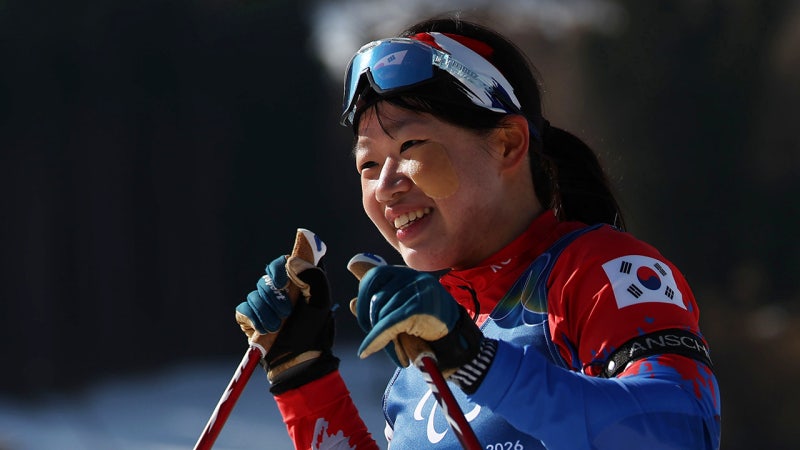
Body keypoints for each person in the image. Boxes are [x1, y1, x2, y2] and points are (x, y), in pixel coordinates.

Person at [234, 16, 721, 450]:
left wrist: (478, 362)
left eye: (411, 145)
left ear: (508, 144)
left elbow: (678, 432)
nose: (384, 186)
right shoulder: (426, 344)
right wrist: (303, 375)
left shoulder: (601, 271)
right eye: (369, 164)